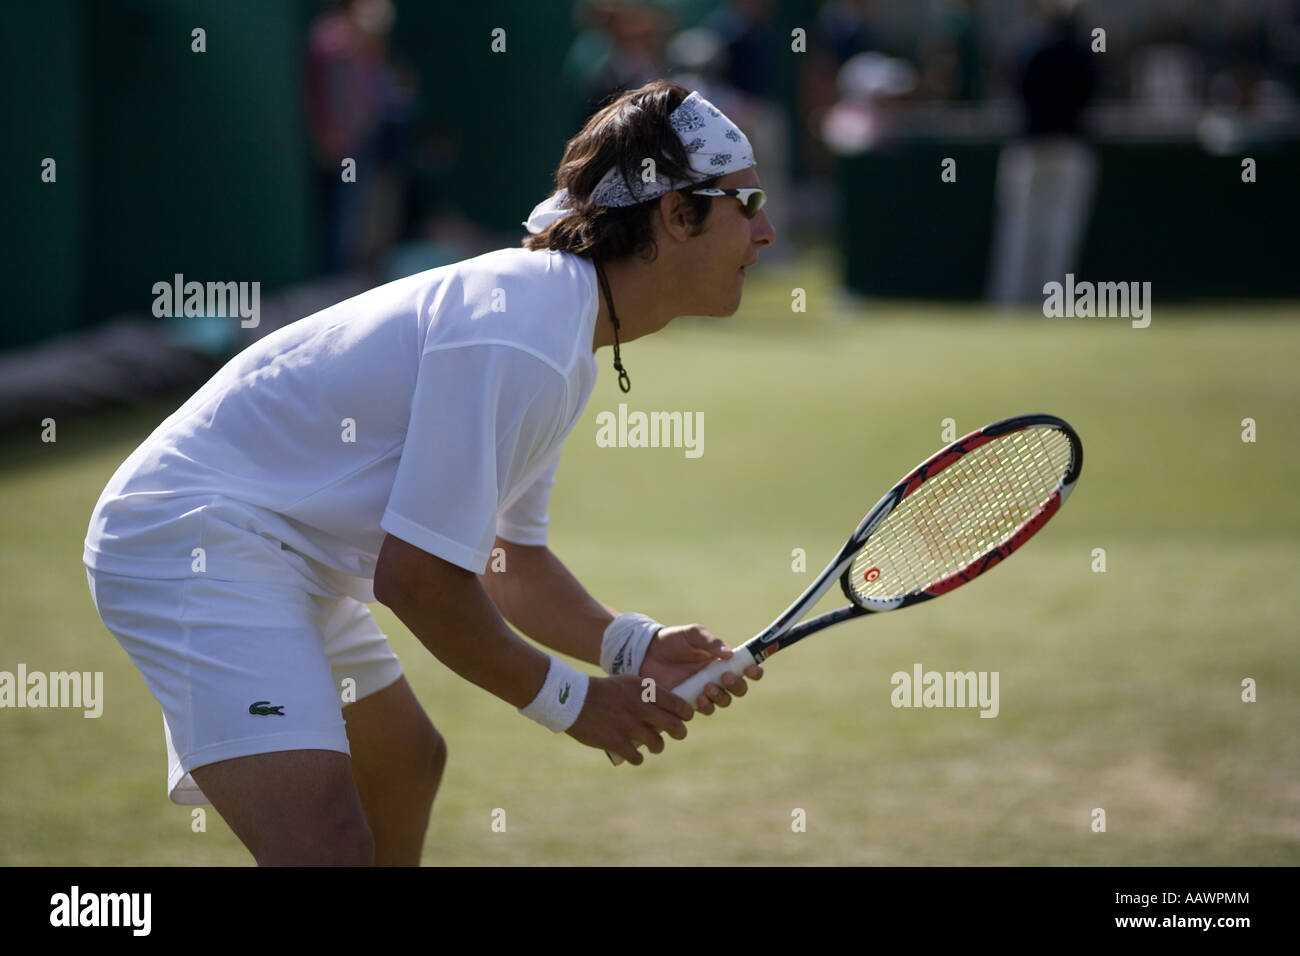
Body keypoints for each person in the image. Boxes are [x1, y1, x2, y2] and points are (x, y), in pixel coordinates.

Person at [84, 80, 776, 866]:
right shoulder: (527, 330)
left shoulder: (562, 330)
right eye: (747, 204)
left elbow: (505, 563)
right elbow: (416, 581)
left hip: (276, 551)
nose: (767, 232)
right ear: (676, 215)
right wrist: (574, 702)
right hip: (190, 538)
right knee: (326, 847)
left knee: (406, 767)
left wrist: (629, 646)